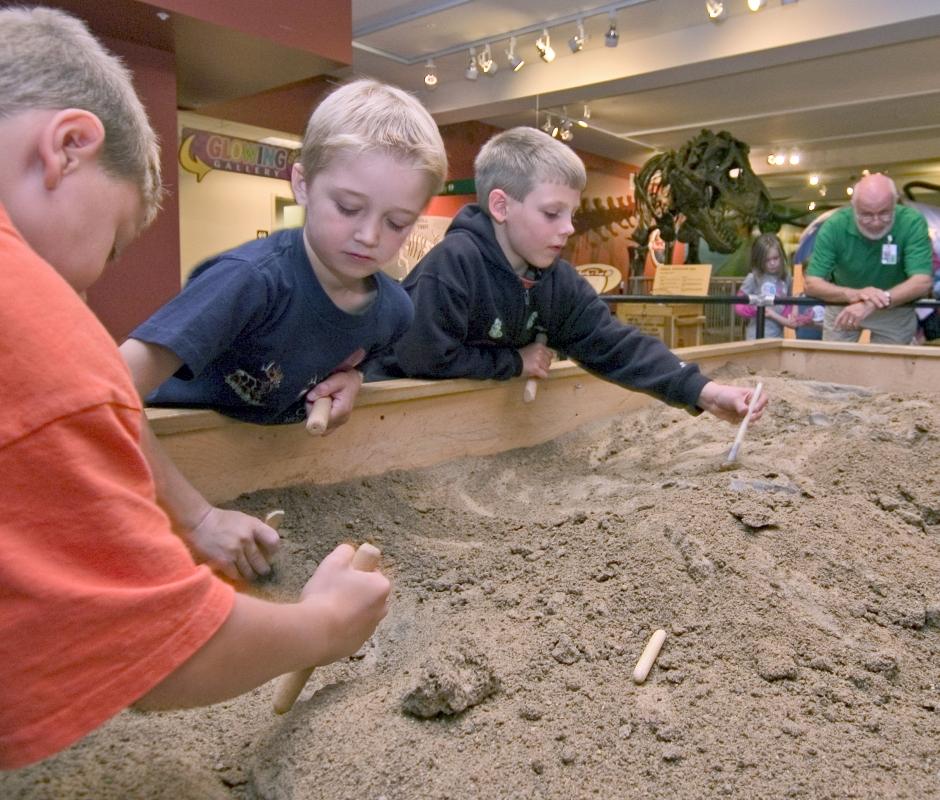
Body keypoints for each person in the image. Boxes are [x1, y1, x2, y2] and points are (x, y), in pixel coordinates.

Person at [0, 7, 390, 770]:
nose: (82, 287)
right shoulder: (34, 316)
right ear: (69, 147)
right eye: (111, 245)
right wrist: (325, 624)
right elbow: (153, 651)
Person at [119, 79, 448, 581]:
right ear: (301, 184)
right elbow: (108, 389)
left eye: (398, 221)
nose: (369, 236)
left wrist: (354, 380)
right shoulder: (248, 282)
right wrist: (198, 517)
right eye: (348, 207)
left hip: (269, 466)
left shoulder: (394, 310)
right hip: (157, 465)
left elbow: (361, 360)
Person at [370, 126, 766, 425]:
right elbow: (424, 358)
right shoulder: (453, 263)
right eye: (551, 213)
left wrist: (705, 393)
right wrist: (513, 362)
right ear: (501, 206)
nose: (568, 228)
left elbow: (614, 344)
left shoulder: (555, 279)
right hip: (384, 416)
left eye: (571, 215)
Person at [803, 173, 933, 344]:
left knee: (891, 368)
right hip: (844, 306)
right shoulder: (834, 226)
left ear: (895, 204)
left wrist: (874, 302)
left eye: (885, 213)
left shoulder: (912, 222)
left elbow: (922, 282)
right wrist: (855, 295)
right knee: (834, 365)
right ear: (853, 206)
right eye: (866, 214)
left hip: (895, 307)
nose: (876, 222)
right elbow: (812, 284)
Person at [734, 233, 807, 339]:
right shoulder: (753, 277)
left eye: (775, 258)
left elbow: (788, 303)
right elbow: (738, 305)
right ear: (759, 260)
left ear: (781, 256)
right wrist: (756, 309)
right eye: (767, 260)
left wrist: (788, 314)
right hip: (755, 336)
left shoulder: (786, 277)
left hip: (778, 336)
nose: (772, 263)